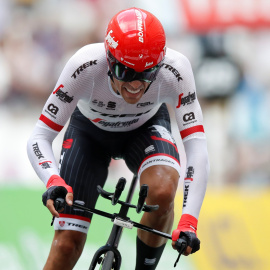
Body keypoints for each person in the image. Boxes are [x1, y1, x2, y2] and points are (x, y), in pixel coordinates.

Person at [27, 7, 209, 270]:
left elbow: (197, 147)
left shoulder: (176, 69)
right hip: (89, 134)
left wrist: (189, 220)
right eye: (126, 73)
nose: (135, 86)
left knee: (163, 189)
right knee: (67, 244)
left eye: (147, 74)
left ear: (159, 65)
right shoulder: (84, 65)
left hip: (145, 128)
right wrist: (52, 180)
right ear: (109, 60)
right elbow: (40, 136)